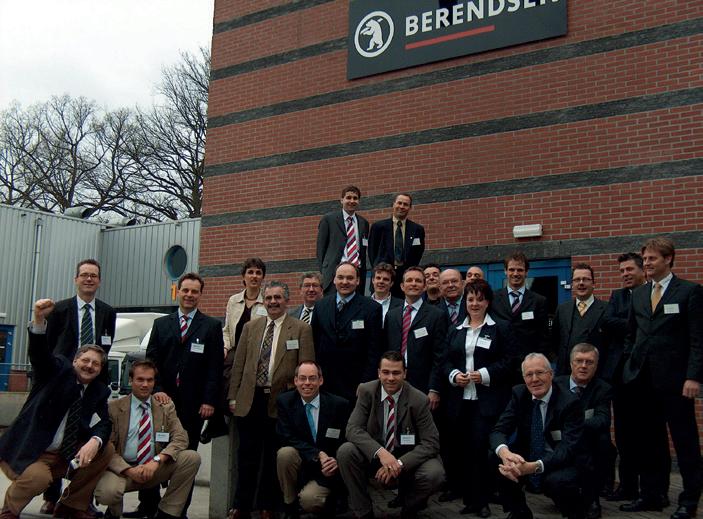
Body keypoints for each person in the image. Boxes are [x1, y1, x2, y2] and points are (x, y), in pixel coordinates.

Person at [0, 298, 113, 519]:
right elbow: (40, 356)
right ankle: (9, 510)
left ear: (100, 369)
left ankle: (70, 506)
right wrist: (39, 320)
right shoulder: (56, 371)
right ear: (74, 361)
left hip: (64, 456)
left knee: (105, 449)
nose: (89, 366)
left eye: (96, 364)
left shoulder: (98, 392)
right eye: (85, 360)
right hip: (33, 452)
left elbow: (104, 423)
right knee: (39, 479)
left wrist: (95, 441)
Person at [620, 237, 703, 519]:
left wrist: (693, 377)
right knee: (650, 442)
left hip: (677, 383)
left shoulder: (689, 292)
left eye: (652, 259)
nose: (647, 264)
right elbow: (632, 334)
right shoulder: (640, 294)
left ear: (668, 259)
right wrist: (630, 364)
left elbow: (698, 340)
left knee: (685, 442)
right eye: (644, 259)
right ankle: (652, 495)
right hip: (643, 381)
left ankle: (689, 501)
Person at [227, 282, 315, 519]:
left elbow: (306, 367)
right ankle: (241, 506)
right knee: (246, 457)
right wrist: (233, 396)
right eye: (269, 298)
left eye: (278, 298)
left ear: (287, 301)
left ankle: (267, 506)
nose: (273, 302)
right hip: (250, 400)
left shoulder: (301, 329)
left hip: (282, 403)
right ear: (263, 301)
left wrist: (300, 401)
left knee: (272, 457)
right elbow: (239, 365)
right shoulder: (250, 327)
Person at [145, 272, 223, 518]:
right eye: (185, 290)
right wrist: (157, 390)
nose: (189, 295)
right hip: (162, 403)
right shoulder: (161, 325)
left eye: (194, 291)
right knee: (153, 451)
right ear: (178, 292)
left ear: (201, 295)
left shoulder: (211, 326)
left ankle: (178, 510)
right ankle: (148, 505)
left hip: (193, 406)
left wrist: (209, 400)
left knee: (186, 458)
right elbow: (151, 362)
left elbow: (215, 368)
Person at [43, 258, 117, 514]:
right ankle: (51, 495)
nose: (88, 279)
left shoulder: (108, 312)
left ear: (99, 281)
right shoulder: (59, 310)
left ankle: (80, 498)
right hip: (62, 384)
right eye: (84, 274)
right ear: (76, 279)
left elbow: (106, 348)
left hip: (92, 386)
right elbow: (48, 348)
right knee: (56, 438)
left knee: (89, 439)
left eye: (93, 275)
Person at [337, 351, 444, 519]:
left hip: (407, 460)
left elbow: (431, 442)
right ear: (378, 373)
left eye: (396, 373)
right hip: (375, 457)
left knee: (435, 472)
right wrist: (381, 453)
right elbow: (352, 429)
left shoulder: (419, 399)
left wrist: (398, 464)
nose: (391, 378)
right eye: (386, 372)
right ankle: (364, 512)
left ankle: (409, 509)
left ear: (405, 374)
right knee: (346, 451)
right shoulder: (366, 391)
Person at [444, 279, 517, 517]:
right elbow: (445, 361)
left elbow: (510, 361)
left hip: (487, 401)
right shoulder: (455, 329)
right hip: (460, 401)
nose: (474, 304)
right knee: (463, 451)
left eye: (480, 299)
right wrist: (454, 375)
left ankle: (482, 500)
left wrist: (484, 374)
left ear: (488, 302)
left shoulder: (501, 328)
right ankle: (470, 500)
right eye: (470, 299)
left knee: (480, 451)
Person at [94, 361, 200, 519]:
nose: (145, 384)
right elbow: (107, 447)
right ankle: (114, 512)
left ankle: (166, 513)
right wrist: (129, 470)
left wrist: (156, 461)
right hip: (123, 469)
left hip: (153, 467)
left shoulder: (165, 407)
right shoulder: (114, 408)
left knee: (191, 458)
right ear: (131, 380)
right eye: (140, 379)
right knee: (107, 494)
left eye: (150, 380)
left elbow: (181, 438)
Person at [602, 253, 667, 502]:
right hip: (621, 376)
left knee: (652, 434)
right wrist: (638, 322)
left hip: (648, 376)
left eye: (629, 269)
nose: (625, 274)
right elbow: (608, 321)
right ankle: (627, 487)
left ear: (643, 271)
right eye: (621, 271)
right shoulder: (617, 296)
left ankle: (657, 490)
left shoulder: (653, 294)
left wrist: (637, 324)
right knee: (624, 433)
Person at [490, 353, 586, 519]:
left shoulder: (570, 402)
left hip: (561, 459)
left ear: (551, 374)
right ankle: (519, 512)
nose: (534, 379)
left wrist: (534, 466)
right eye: (529, 374)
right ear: (524, 378)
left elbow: (567, 449)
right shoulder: (519, 394)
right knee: (496, 460)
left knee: (557, 482)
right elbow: (498, 431)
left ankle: (576, 513)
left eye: (540, 373)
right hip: (528, 455)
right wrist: (505, 454)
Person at [276, 361, 350, 519]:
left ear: (320, 380)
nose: (307, 383)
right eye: (302, 378)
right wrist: (317, 454)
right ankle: (290, 507)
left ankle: (330, 501)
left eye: (312, 378)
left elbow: (346, 439)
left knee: (310, 501)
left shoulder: (338, 405)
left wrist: (335, 461)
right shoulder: (285, 402)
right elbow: (287, 436)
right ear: (296, 381)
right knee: (285, 453)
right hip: (301, 464)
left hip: (328, 471)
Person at [555, 344, 615, 519]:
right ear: (571, 364)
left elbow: (603, 419)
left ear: (596, 366)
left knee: (604, 442)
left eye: (589, 362)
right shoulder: (556, 385)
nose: (583, 366)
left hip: (588, 440)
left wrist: (574, 425)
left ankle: (592, 498)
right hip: (559, 440)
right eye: (579, 361)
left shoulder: (603, 388)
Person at [311, 262, 383, 402]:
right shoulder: (320, 306)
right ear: (334, 280)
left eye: (350, 278)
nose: (345, 282)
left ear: (358, 281)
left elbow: (374, 350)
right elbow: (315, 343)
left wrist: (366, 383)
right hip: (326, 383)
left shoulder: (372, 308)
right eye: (340, 277)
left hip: (356, 385)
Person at [385, 267, 447, 408]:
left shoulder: (436, 315)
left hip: (423, 384)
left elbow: (440, 356)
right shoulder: (391, 315)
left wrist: (434, 389)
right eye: (409, 280)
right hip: (393, 379)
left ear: (424, 287)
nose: (413, 284)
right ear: (402, 286)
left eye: (418, 281)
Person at [489, 252, 549, 370]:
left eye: (520, 270)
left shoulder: (539, 301)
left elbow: (543, 336)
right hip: (499, 364)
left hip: (528, 365)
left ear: (526, 272)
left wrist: (539, 362)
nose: (515, 274)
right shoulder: (493, 298)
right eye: (511, 269)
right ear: (505, 271)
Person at [552, 263, 608, 376]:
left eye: (585, 279)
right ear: (572, 284)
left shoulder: (607, 309)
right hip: (566, 374)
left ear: (594, 284)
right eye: (577, 280)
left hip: (597, 374)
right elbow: (555, 340)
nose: (581, 283)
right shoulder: (562, 309)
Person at [368, 194, 425, 298]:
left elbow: (418, 253)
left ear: (410, 208)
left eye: (405, 204)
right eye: (399, 203)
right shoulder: (378, 227)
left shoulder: (417, 229)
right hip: (384, 277)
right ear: (393, 204)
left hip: (405, 279)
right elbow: (372, 252)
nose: (402, 206)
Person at [316, 185, 370, 295]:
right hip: (334, 276)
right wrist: (324, 272)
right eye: (348, 197)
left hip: (356, 276)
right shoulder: (329, 220)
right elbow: (321, 249)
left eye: (355, 198)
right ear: (341, 200)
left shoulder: (364, 223)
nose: (352, 201)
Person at [222, 258, 267, 356]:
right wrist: (225, 347)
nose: (254, 276)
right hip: (234, 353)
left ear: (263, 277)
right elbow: (227, 330)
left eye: (258, 273)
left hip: (257, 355)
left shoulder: (267, 302)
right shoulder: (233, 301)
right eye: (250, 272)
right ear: (243, 276)